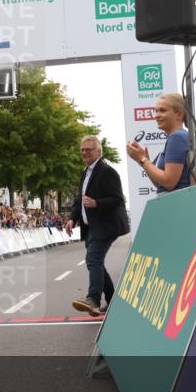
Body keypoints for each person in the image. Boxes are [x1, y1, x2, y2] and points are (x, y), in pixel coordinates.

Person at [65, 135, 130, 316]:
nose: (84, 153)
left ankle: (93, 299)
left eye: (89, 149)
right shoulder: (85, 172)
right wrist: (72, 218)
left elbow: (117, 200)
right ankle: (112, 301)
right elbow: (80, 200)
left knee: (93, 260)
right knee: (97, 263)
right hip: (91, 226)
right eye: (82, 150)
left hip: (107, 226)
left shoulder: (107, 171)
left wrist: (97, 203)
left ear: (99, 151)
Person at [126, 93, 191, 195]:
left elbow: (169, 182)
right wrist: (144, 161)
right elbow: (160, 184)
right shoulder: (177, 137)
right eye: (156, 111)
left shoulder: (177, 137)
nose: (157, 115)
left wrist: (142, 160)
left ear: (179, 114)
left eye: (162, 110)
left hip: (175, 203)